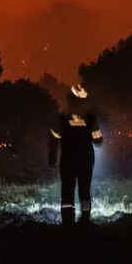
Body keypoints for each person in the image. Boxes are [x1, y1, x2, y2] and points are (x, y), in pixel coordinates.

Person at [48, 84, 103, 225]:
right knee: (84, 190)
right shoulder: (90, 117)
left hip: (67, 160)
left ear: (70, 100)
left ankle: (67, 221)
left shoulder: (63, 116)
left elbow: (54, 138)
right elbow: (98, 141)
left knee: (67, 190)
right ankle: (85, 220)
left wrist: (52, 159)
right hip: (85, 159)